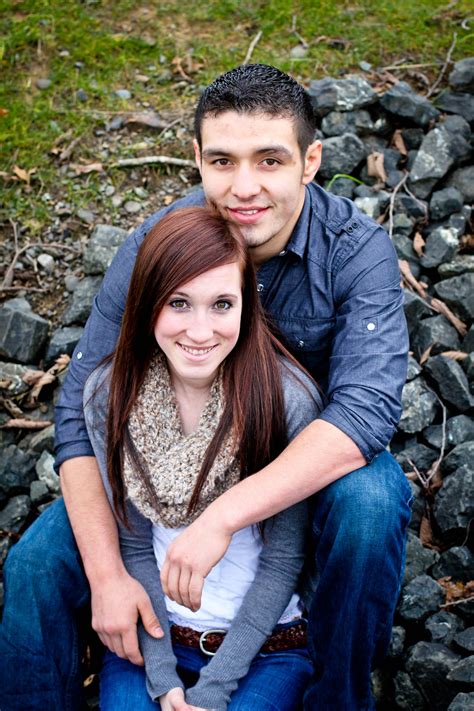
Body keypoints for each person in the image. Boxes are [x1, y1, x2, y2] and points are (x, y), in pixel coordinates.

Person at [0, 64, 412, 711]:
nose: (244, 187)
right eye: (222, 160)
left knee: (371, 502)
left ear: (310, 160)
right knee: (32, 565)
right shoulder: (160, 244)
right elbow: (81, 408)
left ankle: (336, 695)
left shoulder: (356, 252)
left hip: (296, 483)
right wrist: (108, 574)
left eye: (269, 160)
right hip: (162, 467)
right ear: (196, 158)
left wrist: (224, 514)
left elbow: (364, 413)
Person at [85, 206, 322, 711]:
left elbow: (283, 564)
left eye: (221, 304)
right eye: (178, 303)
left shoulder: (286, 399)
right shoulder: (109, 393)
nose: (199, 330)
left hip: (265, 649)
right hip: (154, 641)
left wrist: (213, 693)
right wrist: (163, 677)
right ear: (148, 303)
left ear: (245, 306)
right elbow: (133, 545)